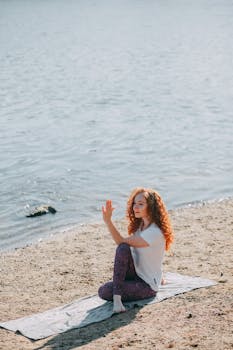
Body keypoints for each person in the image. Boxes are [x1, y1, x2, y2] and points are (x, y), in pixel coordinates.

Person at [98, 187, 174, 313]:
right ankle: (120, 295)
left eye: (140, 204)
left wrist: (108, 222)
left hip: (147, 285)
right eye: (134, 203)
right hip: (135, 274)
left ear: (151, 207)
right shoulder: (141, 226)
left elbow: (120, 241)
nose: (135, 207)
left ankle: (117, 301)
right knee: (124, 249)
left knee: (105, 291)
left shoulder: (154, 232)